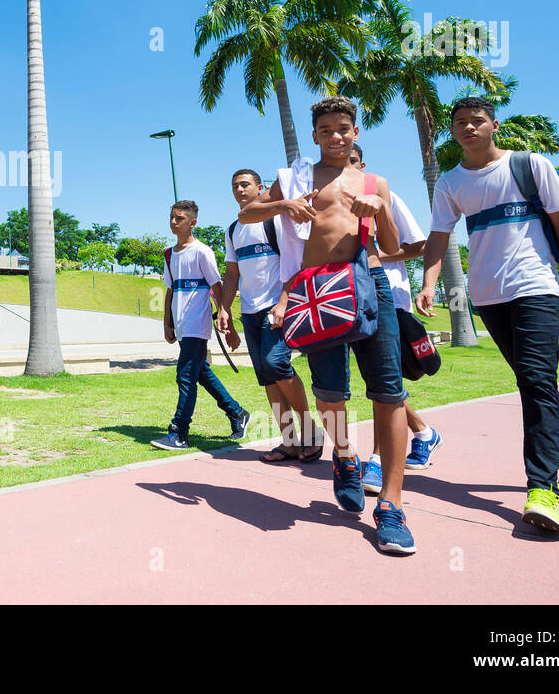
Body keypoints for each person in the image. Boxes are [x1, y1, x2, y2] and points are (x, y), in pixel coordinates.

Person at [416, 96, 559, 533]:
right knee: (533, 380)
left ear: (493, 125)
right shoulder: (450, 182)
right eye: (460, 122)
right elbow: (439, 235)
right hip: (488, 296)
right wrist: (429, 283)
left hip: (535, 286)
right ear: (453, 130)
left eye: (477, 121)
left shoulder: (529, 165)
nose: (469, 128)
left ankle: (542, 488)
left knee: (536, 379)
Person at [240, 96, 415, 555]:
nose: (336, 136)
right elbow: (246, 214)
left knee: (389, 391)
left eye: (344, 128)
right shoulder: (292, 178)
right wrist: (283, 206)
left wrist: (379, 208)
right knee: (330, 392)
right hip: (316, 289)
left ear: (356, 133)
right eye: (326, 130)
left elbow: (395, 246)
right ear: (315, 136)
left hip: (369, 283)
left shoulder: (376, 181)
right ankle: (343, 455)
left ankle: (391, 507)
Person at [347, 143, 443, 495]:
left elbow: (419, 244)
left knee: (383, 383)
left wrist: (373, 257)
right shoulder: (331, 195)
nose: (349, 167)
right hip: (352, 296)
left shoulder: (382, 193)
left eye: (354, 161)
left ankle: (376, 461)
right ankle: (424, 432)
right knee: (379, 380)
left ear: (364, 163)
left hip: (390, 294)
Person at [220, 168, 323, 462]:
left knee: (275, 363)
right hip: (249, 312)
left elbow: (295, 262)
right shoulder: (233, 229)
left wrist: (283, 301)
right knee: (266, 377)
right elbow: (231, 273)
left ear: (260, 188)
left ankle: (310, 430)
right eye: (235, 186)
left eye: (245, 185)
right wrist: (225, 309)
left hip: (276, 308)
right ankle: (289, 441)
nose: (240, 190)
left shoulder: (277, 221)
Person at [152, 200, 251, 450]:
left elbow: (217, 286)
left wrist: (223, 314)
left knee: (185, 375)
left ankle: (179, 432)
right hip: (182, 326)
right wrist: (168, 323)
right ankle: (237, 413)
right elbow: (170, 290)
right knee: (201, 374)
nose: (173, 222)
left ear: (192, 222)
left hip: (198, 323)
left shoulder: (202, 251)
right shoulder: (168, 253)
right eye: (172, 217)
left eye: (179, 219)